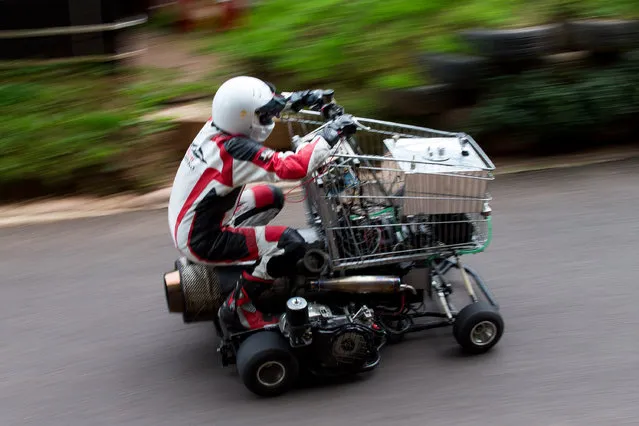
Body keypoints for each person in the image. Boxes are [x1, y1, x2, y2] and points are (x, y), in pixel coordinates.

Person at [168, 76, 358, 331]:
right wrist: (331, 132)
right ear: (246, 118)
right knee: (290, 243)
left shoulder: (218, 127)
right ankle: (238, 308)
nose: (270, 118)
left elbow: (259, 107)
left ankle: (244, 257)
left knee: (271, 197)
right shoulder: (236, 150)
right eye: (265, 115)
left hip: (194, 219)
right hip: (202, 238)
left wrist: (305, 97)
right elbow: (295, 167)